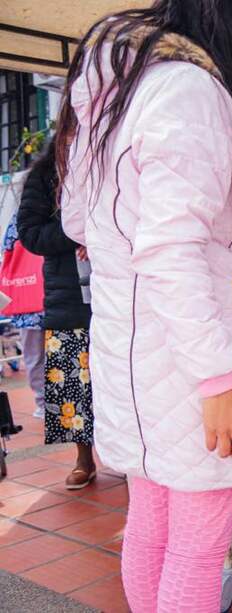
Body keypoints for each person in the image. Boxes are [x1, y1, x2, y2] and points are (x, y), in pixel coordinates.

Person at [56, 1, 232, 611]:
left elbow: (77, 219)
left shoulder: (117, 93)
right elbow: (171, 249)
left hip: (132, 348)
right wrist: (217, 381)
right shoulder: (191, 90)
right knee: (197, 544)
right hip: (187, 354)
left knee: (153, 522)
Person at [17, 141, 96, 489]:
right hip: (68, 295)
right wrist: (77, 233)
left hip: (118, 288)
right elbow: (30, 234)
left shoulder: (108, 160)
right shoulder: (45, 175)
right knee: (73, 381)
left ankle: (130, 455)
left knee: (123, 378)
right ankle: (84, 458)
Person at [1, 214, 45, 420]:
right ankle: (48, 402)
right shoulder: (57, 212)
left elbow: (7, 248)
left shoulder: (20, 217)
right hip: (52, 300)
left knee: (34, 356)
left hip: (29, 302)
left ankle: (42, 403)